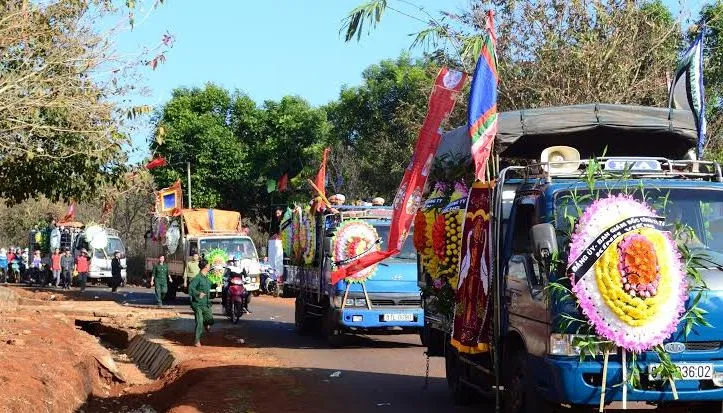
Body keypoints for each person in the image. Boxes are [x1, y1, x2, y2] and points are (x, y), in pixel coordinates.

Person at [188, 259, 214, 347]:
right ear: (205, 267)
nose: (210, 266)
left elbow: (211, 284)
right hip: (197, 304)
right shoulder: (197, 278)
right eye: (209, 265)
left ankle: (207, 324)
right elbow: (190, 289)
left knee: (210, 320)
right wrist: (198, 293)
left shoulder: (206, 278)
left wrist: (217, 284)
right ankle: (197, 340)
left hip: (206, 304)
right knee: (199, 321)